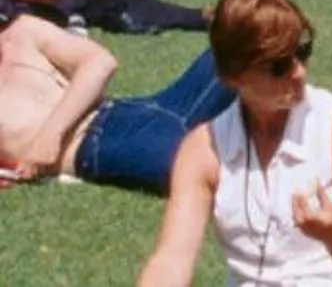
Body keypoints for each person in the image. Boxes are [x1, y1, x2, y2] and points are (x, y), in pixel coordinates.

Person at [136, 0, 332, 286]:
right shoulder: (203, 151)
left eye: (302, 52)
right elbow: (171, 261)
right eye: (278, 66)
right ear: (233, 76)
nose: (298, 71)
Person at [0, 10, 233, 193]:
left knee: (244, 41)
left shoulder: (23, 31)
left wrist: (49, 136)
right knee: (214, 174)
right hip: (100, 146)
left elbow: (100, 63)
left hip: (137, 109)